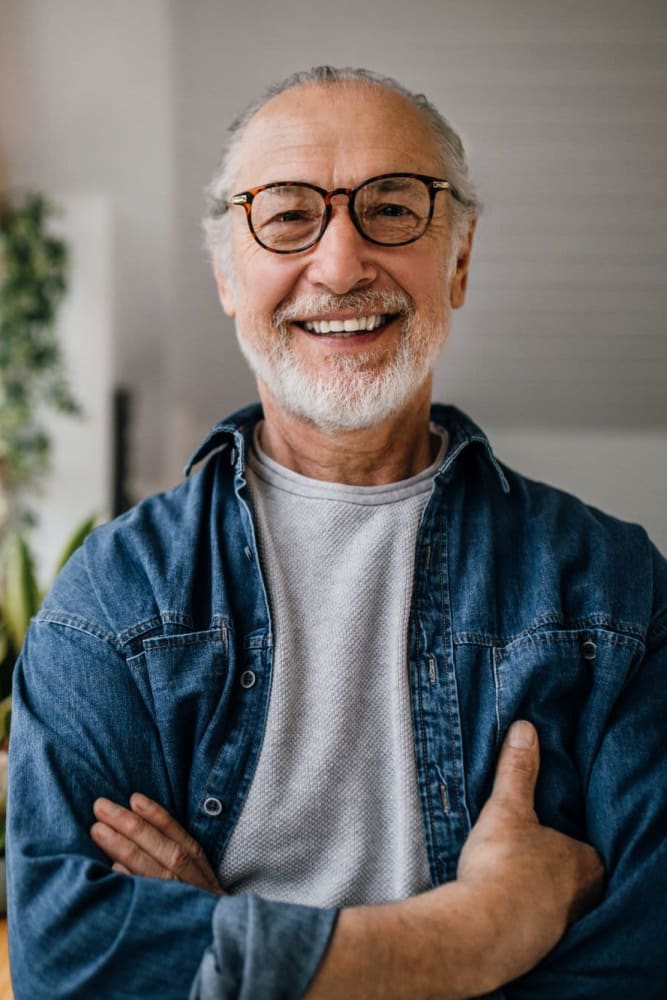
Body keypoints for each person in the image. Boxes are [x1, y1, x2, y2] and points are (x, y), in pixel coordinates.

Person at [7, 65, 666, 998]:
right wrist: (474, 933)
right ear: (230, 274)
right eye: (286, 215)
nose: (341, 262)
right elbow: (66, 963)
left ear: (460, 259)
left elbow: (643, 964)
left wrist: (234, 950)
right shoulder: (113, 600)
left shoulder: (613, 589)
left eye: (393, 208)